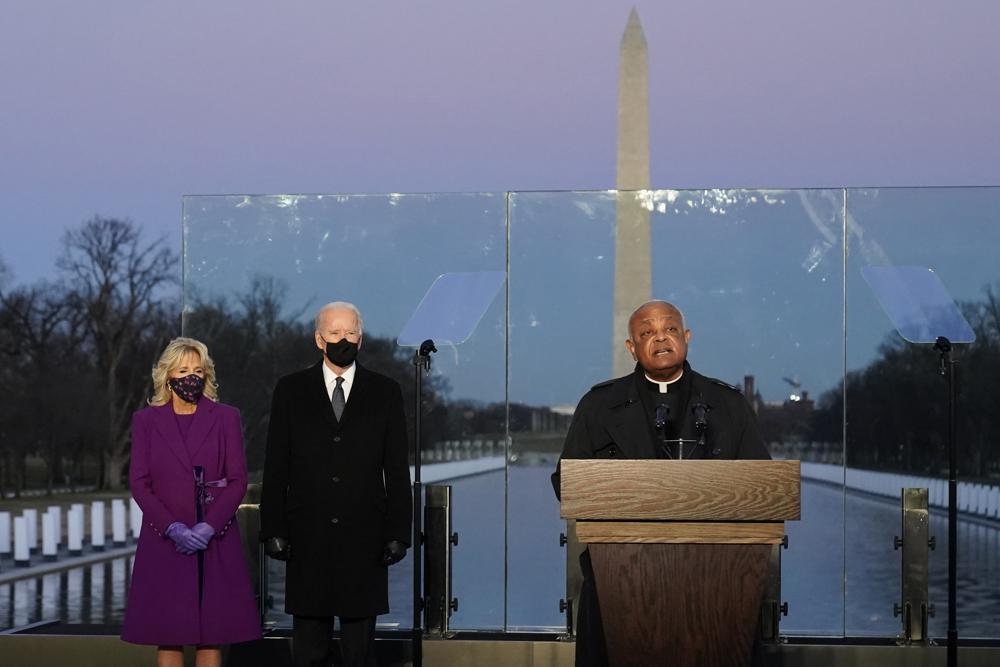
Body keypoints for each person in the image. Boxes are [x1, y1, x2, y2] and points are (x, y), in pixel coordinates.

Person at [552, 300, 770, 667]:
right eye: (647, 332)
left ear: (686, 337)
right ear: (631, 348)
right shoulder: (598, 406)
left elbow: (762, 486)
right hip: (618, 579)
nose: (660, 338)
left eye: (669, 329)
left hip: (716, 581)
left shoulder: (728, 404)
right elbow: (568, 484)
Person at [261, 301, 412, 667]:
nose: (342, 339)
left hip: (365, 540)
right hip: (307, 538)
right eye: (334, 333)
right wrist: (273, 528)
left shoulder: (386, 392)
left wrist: (398, 533)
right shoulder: (290, 390)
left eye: (350, 333)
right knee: (309, 649)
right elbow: (275, 465)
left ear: (361, 339)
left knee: (360, 652)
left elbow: (396, 469)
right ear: (318, 339)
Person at [121, 337, 261, 666]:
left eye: (198, 370)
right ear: (167, 376)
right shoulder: (146, 421)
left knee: (210, 634)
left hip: (214, 538)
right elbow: (139, 482)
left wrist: (208, 527)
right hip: (165, 539)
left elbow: (238, 479)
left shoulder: (226, 417)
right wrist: (172, 528)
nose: (191, 378)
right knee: (168, 634)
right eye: (183, 370)